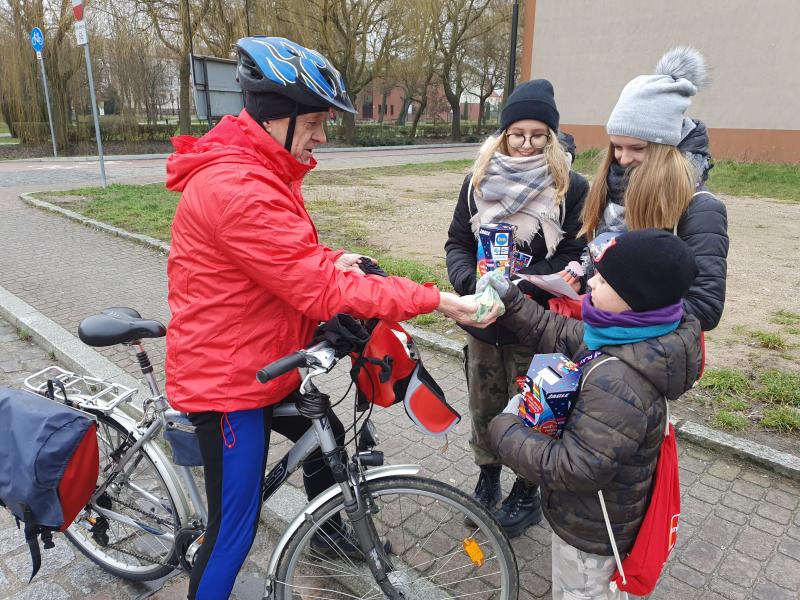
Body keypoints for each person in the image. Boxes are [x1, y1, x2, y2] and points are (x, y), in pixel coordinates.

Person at [164, 36, 494, 600]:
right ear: (279, 117)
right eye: (315, 121)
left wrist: (329, 259)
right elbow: (316, 288)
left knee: (324, 436)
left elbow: (282, 260)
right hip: (229, 385)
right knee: (232, 535)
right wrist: (438, 299)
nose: (321, 136)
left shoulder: (259, 169)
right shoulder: (238, 187)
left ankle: (329, 534)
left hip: (261, 362)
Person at [481, 228, 702, 599]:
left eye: (604, 278)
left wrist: (504, 428)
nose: (591, 280)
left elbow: (574, 468)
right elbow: (554, 329)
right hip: (598, 516)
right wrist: (511, 299)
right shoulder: (628, 335)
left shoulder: (619, 382)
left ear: (636, 298)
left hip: (592, 532)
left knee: (580, 590)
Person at [444, 79, 589, 537]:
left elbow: (575, 252)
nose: (526, 145)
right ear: (502, 135)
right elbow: (458, 243)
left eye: (537, 135)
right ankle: (487, 478)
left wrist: (525, 284)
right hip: (484, 322)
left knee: (535, 407)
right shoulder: (478, 181)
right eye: (516, 134)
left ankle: (526, 492)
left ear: (551, 137)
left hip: (537, 324)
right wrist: (472, 284)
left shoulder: (572, 187)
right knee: (485, 404)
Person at [563, 47, 728, 332]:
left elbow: (705, 307)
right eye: (616, 146)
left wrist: (620, 304)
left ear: (666, 147)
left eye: (637, 148)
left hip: (651, 354)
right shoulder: (609, 189)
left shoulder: (699, 209)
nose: (623, 159)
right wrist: (582, 276)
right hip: (601, 334)